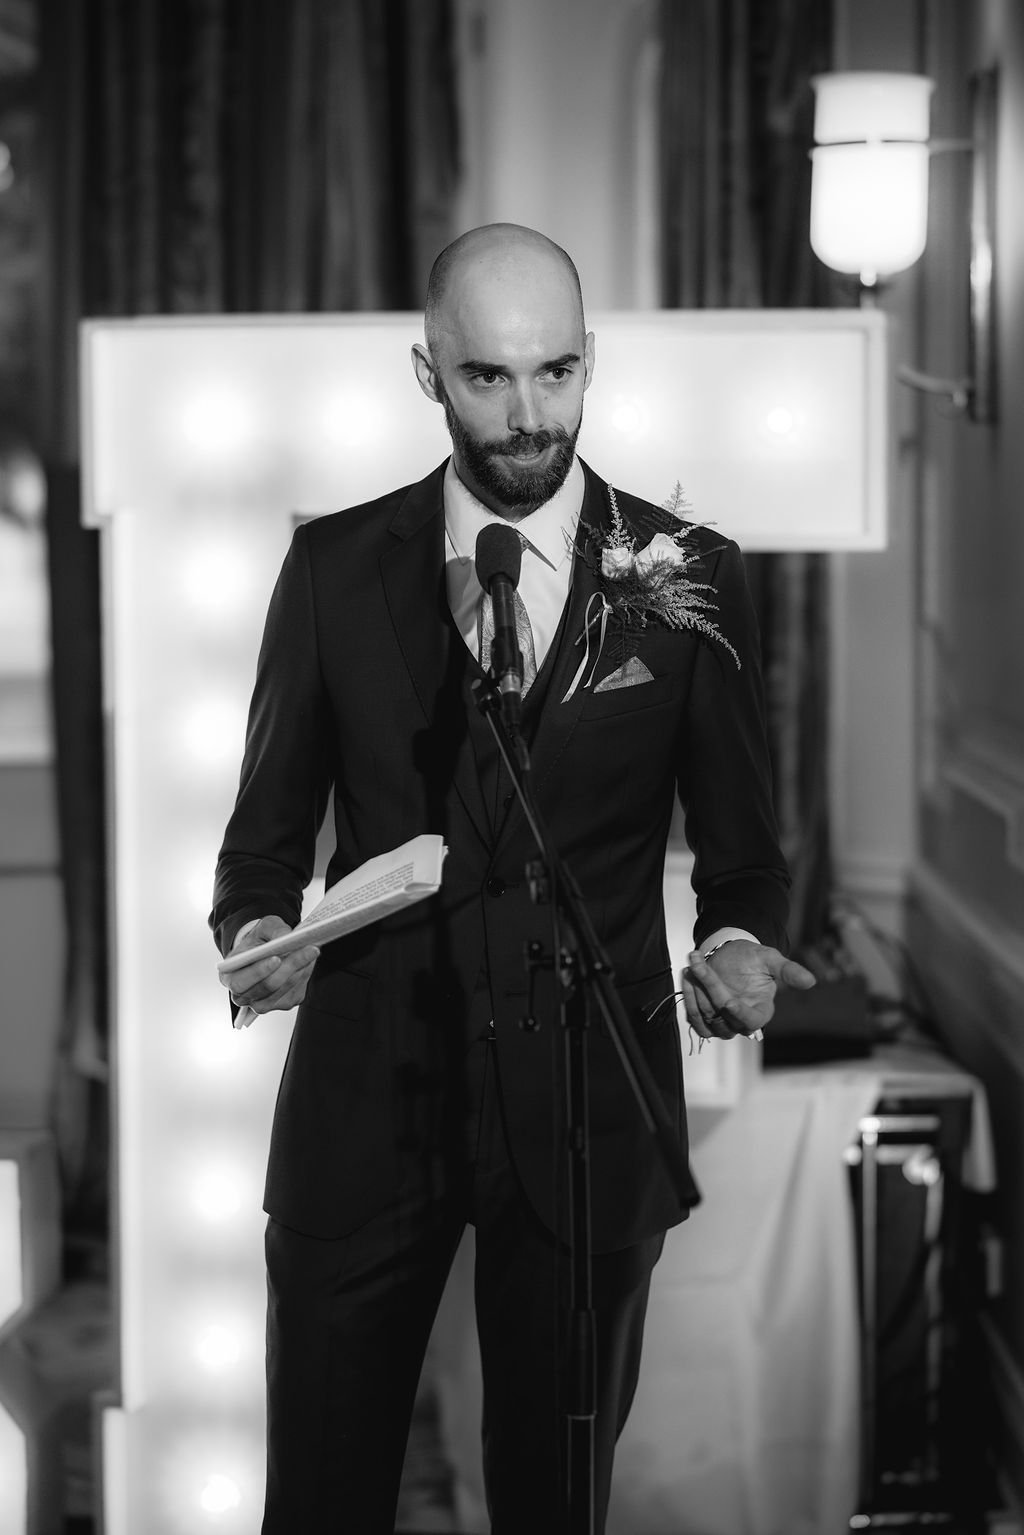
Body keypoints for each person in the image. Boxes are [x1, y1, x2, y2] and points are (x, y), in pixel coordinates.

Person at [210, 222, 815, 1533]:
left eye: (555, 372)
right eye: (488, 377)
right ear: (429, 372)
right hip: (366, 1108)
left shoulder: (690, 574)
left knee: (553, 1507)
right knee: (318, 1502)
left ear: (591, 359)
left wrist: (736, 943)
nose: (529, 414)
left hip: (589, 1110)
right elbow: (260, 842)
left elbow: (747, 856)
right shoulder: (331, 571)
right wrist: (260, 927)